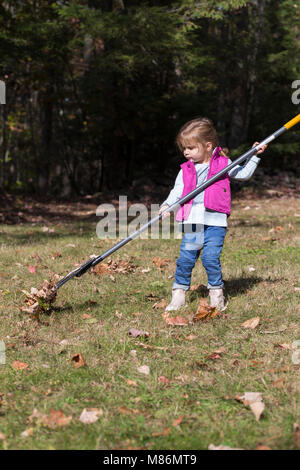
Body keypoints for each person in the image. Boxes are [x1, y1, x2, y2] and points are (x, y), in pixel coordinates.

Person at [158, 117, 267, 311]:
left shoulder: (223, 164)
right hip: (192, 221)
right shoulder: (186, 169)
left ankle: (216, 293)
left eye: (190, 147)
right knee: (186, 258)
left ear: (207, 146)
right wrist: (167, 204)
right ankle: (179, 293)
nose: (186, 152)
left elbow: (242, 174)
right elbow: (177, 190)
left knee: (210, 258)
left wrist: (254, 156)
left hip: (215, 222)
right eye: (184, 148)